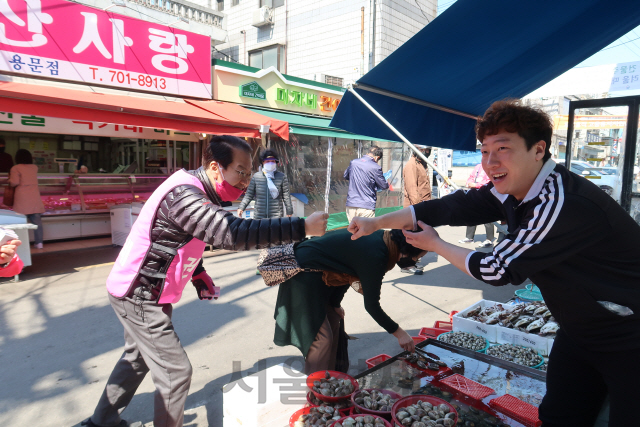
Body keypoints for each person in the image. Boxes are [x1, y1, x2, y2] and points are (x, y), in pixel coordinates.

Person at [347, 99, 640, 427]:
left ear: (538, 149)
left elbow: (498, 270)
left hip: (629, 334)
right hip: (578, 328)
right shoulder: (514, 188)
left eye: (503, 148)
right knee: (560, 415)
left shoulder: (560, 202)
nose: (490, 161)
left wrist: (437, 245)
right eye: (484, 150)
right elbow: (453, 207)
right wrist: (377, 222)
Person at [83, 135, 329, 427]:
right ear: (216, 167)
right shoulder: (184, 194)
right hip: (139, 293)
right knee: (175, 372)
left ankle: (102, 420)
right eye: (240, 171)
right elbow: (231, 232)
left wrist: (198, 274)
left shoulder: (199, 191)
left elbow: (181, 238)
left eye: (249, 173)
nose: (245, 180)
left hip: (148, 290)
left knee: (137, 359)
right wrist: (301, 226)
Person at [272, 228, 425, 374]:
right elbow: (372, 305)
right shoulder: (377, 254)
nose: (416, 260)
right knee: (321, 339)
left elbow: (346, 273)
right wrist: (399, 333)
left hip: (321, 275)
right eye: (417, 257)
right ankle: (314, 391)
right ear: (409, 248)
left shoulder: (383, 239)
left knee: (334, 321)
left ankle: (329, 378)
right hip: (302, 274)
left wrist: (335, 305)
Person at [237, 149, 293, 219]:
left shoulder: (281, 176)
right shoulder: (256, 177)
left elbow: (286, 195)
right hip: (259, 215)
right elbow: (249, 194)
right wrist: (241, 207)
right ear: (263, 162)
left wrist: (289, 210)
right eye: (268, 161)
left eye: (272, 161)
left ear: (276, 162)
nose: (270, 163)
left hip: (276, 215)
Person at [9, 149, 45, 249]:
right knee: (37, 222)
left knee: (20, 223)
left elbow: (14, 182)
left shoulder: (16, 168)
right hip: (34, 197)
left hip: (22, 198)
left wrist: (8, 180)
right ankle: (39, 243)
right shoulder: (34, 167)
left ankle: (21, 245)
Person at [344, 146, 389, 222]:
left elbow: (346, 176)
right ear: (377, 157)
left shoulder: (353, 162)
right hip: (366, 206)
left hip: (351, 204)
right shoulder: (375, 167)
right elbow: (384, 185)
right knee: (366, 232)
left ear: (368, 153)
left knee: (353, 231)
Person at [458, 163, 494, 248]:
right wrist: (469, 183)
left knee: (487, 216)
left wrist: (476, 185)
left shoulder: (491, 166)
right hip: (474, 192)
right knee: (471, 214)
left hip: (486, 193)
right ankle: (469, 237)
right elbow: (471, 176)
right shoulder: (478, 166)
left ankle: (489, 239)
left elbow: (490, 181)